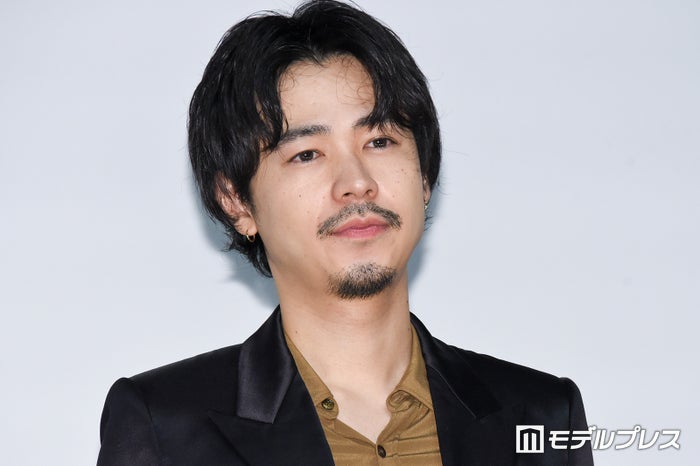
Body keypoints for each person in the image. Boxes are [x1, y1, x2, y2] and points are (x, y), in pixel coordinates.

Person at [97, 1, 593, 464]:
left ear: (424, 176)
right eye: (307, 154)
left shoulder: (544, 415)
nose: (357, 182)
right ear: (237, 203)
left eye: (380, 141)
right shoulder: (164, 427)